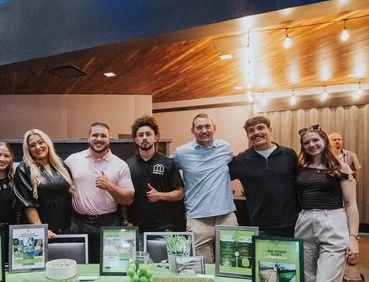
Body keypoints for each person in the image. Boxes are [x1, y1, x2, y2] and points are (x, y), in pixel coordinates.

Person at [295, 124, 360, 282]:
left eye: (315, 140)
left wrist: (353, 238)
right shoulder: (300, 169)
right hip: (305, 222)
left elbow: (351, 204)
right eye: (307, 142)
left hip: (333, 222)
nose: (312, 145)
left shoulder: (341, 168)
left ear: (324, 141)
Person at [171, 112, 237, 262]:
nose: (204, 130)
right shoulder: (182, 152)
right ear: (192, 131)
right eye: (199, 127)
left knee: (232, 262)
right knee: (202, 267)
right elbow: (167, 169)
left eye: (207, 126)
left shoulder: (225, 148)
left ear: (214, 128)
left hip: (226, 215)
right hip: (197, 218)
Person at [64, 122, 134, 263]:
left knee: (109, 266)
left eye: (103, 136)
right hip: (78, 223)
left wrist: (109, 186)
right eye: (95, 135)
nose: (99, 139)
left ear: (109, 139)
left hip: (108, 223)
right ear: (88, 138)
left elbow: (128, 199)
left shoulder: (120, 164)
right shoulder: (72, 160)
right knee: (80, 266)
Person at [228, 115, 298, 237]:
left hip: (293, 224)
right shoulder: (241, 160)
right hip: (260, 227)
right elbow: (218, 177)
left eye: (261, 128)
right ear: (247, 135)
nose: (256, 133)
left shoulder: (289, 154)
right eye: (251, 130)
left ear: (269, 130)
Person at [125, 114, 184, 232]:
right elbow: (124, 197)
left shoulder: (168, 163)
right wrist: (125, 221)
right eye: (140, 135)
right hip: (135, 229)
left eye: (148, 134)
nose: (144, 138)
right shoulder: (127, 165)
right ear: (136, 140)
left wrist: (160, 195)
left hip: (163, 228)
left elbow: (179, 193)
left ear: (156, 137)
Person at [13, 129, 73, 237]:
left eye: (41, 142)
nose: (38, 147)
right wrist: (41, 229)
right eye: (32, 145)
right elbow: (28, 204)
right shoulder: (23, 169)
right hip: (39, 231)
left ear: (47, 143)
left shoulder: (61, 166)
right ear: (28, 149)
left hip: (65, 229)